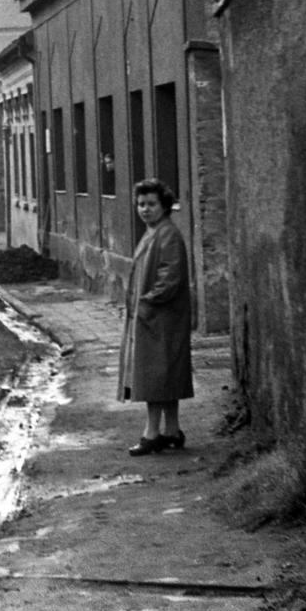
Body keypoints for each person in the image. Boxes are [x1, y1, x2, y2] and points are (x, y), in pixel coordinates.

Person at [118, 178, 194, 456]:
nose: (145, 209)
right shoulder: (154, 232)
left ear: (164, 206)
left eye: (151, 204)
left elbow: (169, 277)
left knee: (153, 377)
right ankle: (171, 431)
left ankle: (151, 434)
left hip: (161, 317)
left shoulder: (168, 235)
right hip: (156, 317)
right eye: (141, 204)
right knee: (166, 375)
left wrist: (148, 301)